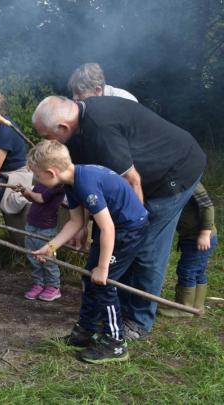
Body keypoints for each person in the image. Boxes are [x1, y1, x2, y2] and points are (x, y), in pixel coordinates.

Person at [32, 95, 206, 340]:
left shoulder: (101, 130)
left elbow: (132, 181)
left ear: (62, 127)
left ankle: (137, 321)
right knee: (117, 251)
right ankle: (114, 309)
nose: (45, 141)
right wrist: (77, 230)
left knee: (145, 250)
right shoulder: (74, 135)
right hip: (136, 188)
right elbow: (79, 201)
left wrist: (134, 227)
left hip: (175, 171)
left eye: (47, 136)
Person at [29, 141, 148, 364]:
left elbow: (108, 228)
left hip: (127, 230)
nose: (37, 181)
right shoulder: (71, 183)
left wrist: (103, 268)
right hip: (114, 229)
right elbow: (75, 222)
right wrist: (51, 247)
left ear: (50, 172)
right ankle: (86, 330)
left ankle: (116, 342)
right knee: (88, 278)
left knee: (104, 283)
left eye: (38, 176)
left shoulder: (85, 183)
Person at [158, 183, 217, 318]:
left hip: (199, 237)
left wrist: (205, 233)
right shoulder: (179, 180)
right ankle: (195, 307)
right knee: (198, 270)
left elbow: (207, 206)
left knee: (187, 271)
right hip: (190, 236)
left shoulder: (192, 182)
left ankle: (184, 307)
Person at [17, 181, 65, 301]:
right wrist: (24, 191)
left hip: (46, 228)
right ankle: (39, 283)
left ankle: (53, 286)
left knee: (47, 259)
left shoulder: (58, 184)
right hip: (31, 224)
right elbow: (33, 197)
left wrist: (29, 192)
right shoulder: (42, 181)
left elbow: (41, 198)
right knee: (33, 256)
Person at [68, 63, 138, 102]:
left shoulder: (123, 101)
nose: (74, 98)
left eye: (79, 94)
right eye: (74, 93)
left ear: (98, 90)